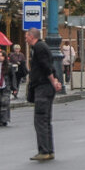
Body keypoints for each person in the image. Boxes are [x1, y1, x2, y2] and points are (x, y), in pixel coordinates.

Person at [25, 28, 62, 161]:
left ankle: (44, 150)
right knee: (46, 120)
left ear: (31, 36)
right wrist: (56, 81)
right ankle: (49, 149)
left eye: (26, 36)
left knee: (40, 119)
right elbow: (51, 67)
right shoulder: (43, 47)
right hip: (45, 87)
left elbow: (46, 67)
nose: (25, 39)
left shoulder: (39, 48)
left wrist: (53, 82)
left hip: (43, 87)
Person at [0, 48, 18, 127]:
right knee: (0, 103)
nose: (0, 57)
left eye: (2, 56)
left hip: (6, 86)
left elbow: (13, 77)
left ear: (5, 57)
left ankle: (4, 120)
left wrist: (14, 88)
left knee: (5, 102)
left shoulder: (9, 66)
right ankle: (1, 118)